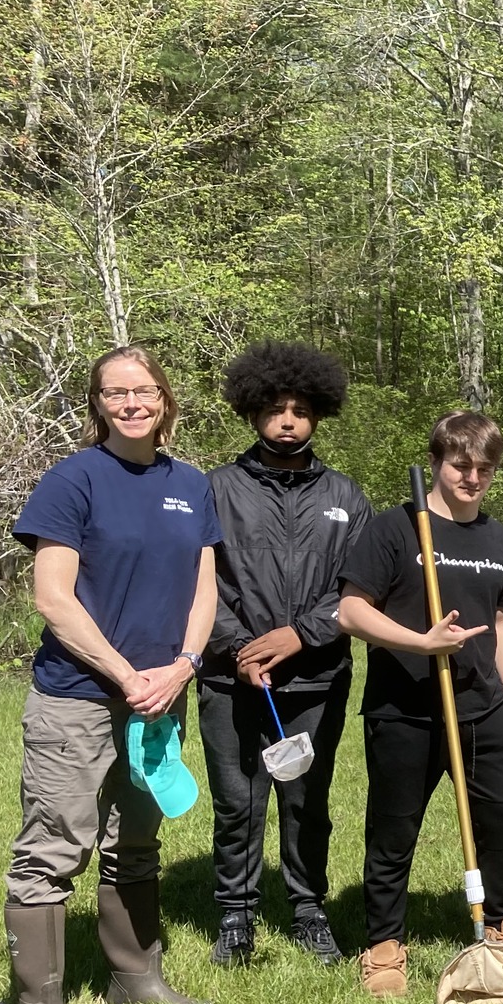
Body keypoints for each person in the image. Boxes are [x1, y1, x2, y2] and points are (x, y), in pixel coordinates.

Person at [6, 346, 219, 1004]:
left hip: (161, 700)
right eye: (115, 392)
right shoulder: (74, 481)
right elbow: (52, 596)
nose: (131, 402)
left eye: (144, 389)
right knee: (54, 849)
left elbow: (204, 588)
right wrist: (127, 675)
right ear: (96, 404)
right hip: (80, 698)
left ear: (165, 398)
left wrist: (183, 666)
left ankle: (136, 977)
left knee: (137, 841)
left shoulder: (192, 484)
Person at [338, 412, 503, 998]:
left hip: (483, 707)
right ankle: (385, 945)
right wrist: (422, 642)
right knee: (394, 830)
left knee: (502, 823)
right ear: (440, 462)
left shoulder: (497, 539)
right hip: (406, 706)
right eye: (461, 465)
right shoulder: (396, 529)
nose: (473, 477)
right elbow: (351, 611)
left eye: (485, 468)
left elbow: (502, 617)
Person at [200, 342, 372, 968]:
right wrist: (238, 647)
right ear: (253, 413)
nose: (289, 420)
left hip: (317, 678)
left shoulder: (347, 497)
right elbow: (199, 585)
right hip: (231, 678)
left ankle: (307, 910)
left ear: (318, 414)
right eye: (276, 408)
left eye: (301, 409)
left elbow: (357, 591)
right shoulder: (215, 489)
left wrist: (301, 635)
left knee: (306, 799)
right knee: (237, 800)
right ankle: (236, 914)